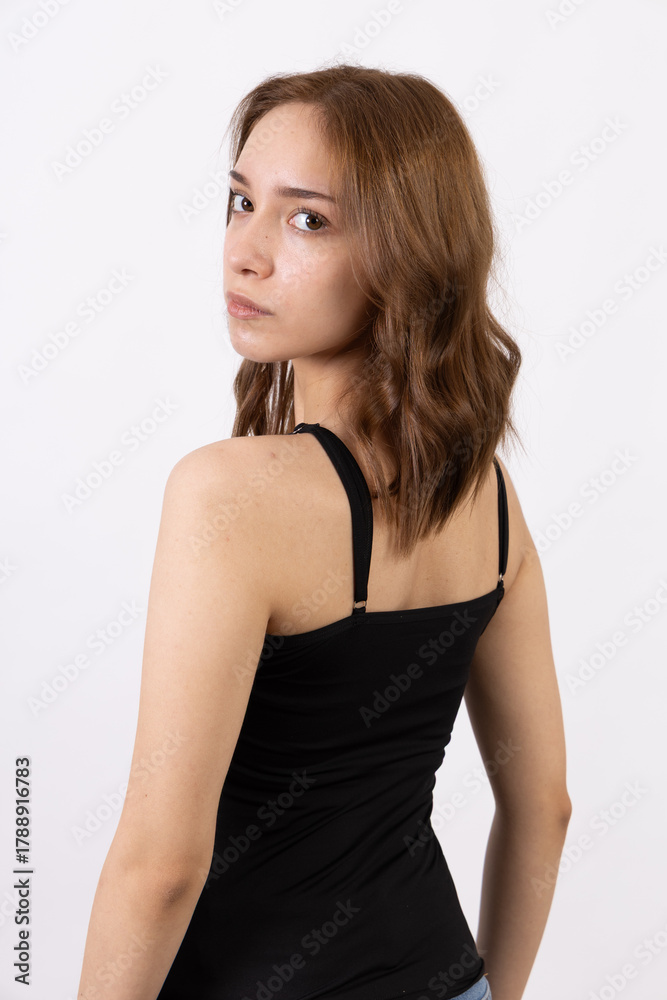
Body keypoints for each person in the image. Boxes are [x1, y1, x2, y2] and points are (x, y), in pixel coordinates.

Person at [77, 64, 572, 1000]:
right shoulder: (488, 498)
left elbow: (160, 866)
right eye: (241, 202)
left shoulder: (227, 496)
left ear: (407, 253)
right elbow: (543, 806)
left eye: (307, 220)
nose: (245, 251)